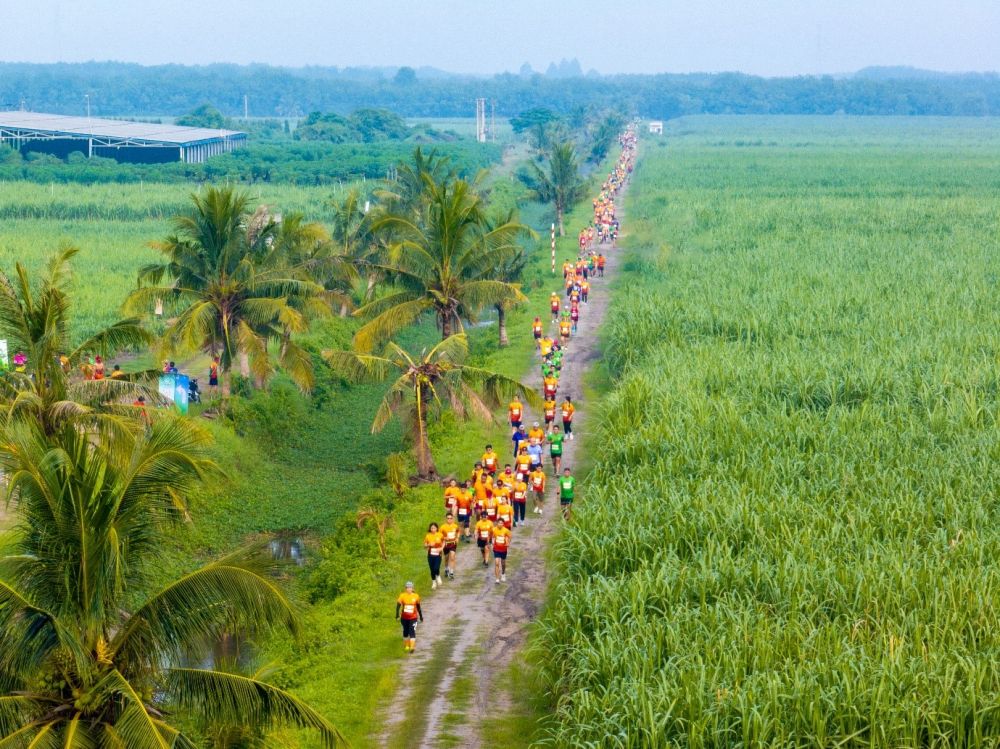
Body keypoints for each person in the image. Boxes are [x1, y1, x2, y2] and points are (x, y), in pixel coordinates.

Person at [395, 582, 423, 653]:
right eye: (407, 587)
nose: (409, 589)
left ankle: (412, 647)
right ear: (405, 588)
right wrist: (397, 615)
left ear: (413, 588)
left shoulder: (416, 596)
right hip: (404, 618)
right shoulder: (402, 596)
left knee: (412, 631)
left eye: (410, 587)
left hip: (413, 617)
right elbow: (398, 606)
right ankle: (407, 646)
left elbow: (418, 607)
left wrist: (421, 616)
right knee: (405, 631)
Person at [440, 513, 460, 580]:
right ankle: (446, 569)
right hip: (446, 544)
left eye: (450, 518)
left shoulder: (455, 526)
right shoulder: (443, 527)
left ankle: (451, 572)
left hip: (453, 544)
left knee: (452, 557)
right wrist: (444, 538)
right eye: (448, 518)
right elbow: (439, 535)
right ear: (446, 519)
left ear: (452, 519)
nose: (449, 520)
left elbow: (458, 531)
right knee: (446, 558)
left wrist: (457, 538)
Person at [424, 523, 444, 589]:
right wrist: (429, 544)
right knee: (432, 569)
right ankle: (434, 582)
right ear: (430, 529)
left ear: (436, 528)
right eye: (432, 528)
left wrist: (441, 548)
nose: (433, 529)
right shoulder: (428, 536)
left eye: (434, 528)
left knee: (436, 567)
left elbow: (444, 542)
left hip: (438, 554)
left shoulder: (440, 535)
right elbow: (425, 545)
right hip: (430, 554)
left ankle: (438, 576)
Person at [491, 520, 512, 584]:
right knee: (497, 563)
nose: (500, 524)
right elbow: (493, 537)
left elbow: (510, 537)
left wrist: (508, 543)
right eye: (499, 523)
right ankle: (497, 579)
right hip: (496, 549)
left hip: (503, 549)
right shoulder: (494, 529)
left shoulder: (506, 530)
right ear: (497, 523)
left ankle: (503, 573)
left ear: (503, 524)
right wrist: (492, 542)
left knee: (503, 563)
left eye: (502, 523)